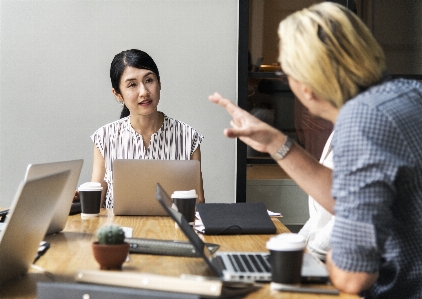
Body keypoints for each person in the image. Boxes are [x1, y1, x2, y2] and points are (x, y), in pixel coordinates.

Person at [209, 2, 422, 298]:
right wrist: (275, 143)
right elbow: (348, 197)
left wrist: (328, 255)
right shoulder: (407, 94)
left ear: (307, 86)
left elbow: (352, 277)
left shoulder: (362, 120)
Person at [91, 49, 205, 208]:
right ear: (117, 94)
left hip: (173, 231)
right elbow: (95, 205)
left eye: (149, 80)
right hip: (121, 231)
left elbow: (198, 202)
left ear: (159, 83)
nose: (144, 92)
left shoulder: (188, 137)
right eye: (132, 85)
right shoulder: (104, 137)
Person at [298, 131, 334, 261]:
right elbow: (319, 217)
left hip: (336, 263)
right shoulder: (336, 132)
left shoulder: (360, 133)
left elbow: (347, 219)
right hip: (319, 255)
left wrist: (308, 257)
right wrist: (295, 246)